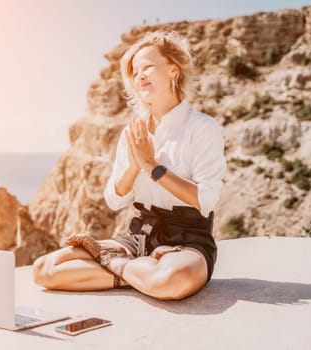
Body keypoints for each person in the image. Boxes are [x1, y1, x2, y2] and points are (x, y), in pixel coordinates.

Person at [33, 30, 226, 301]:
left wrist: (152, 167)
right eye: (135, 72)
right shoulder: (133, 132)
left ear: (173, 70)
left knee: (172, 280)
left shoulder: (203, 128)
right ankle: (133, 270)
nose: (140, 76)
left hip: (188, 240)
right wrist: (135, 166)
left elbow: (205, 200)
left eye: (148, 67)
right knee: (45, 270)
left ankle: (115, 264)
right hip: (140, 236)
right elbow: (115, 199)